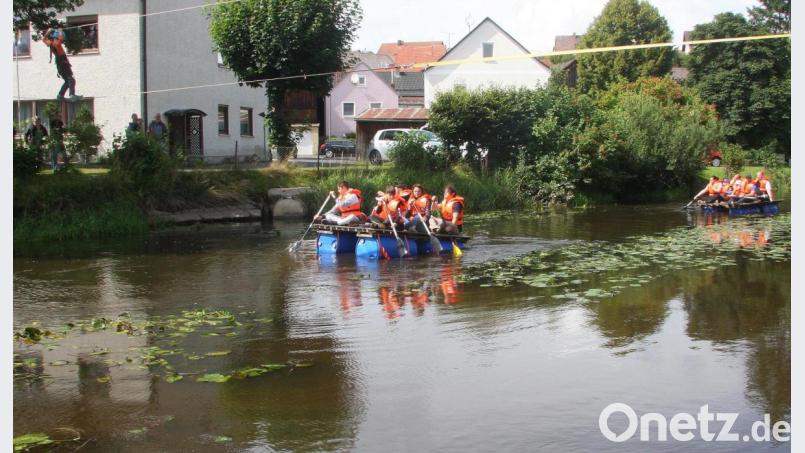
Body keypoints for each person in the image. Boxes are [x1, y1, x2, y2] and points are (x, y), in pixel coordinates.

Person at [43, 28, 80, 101]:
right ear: (56, 38)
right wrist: (60, 31)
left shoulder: (50, 43)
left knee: (67, 81)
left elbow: (44, 40)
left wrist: (48, 32)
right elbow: (60, 38)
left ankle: (60, 95)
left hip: (59, 64)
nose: (62, 40)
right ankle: (72, 94)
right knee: (71, 79)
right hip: (63, 63)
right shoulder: (57, 44)